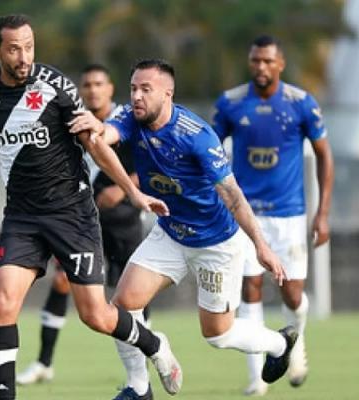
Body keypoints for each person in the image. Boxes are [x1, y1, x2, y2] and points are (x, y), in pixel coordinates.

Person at [0, 15, 181, 400]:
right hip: (22, 215)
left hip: (71, 213)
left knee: (96, 315)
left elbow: (95, 144)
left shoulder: (56, 86)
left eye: (29, 46)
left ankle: (155, 346)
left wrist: (133, 191)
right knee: (2, 300)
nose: (23, 55)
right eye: (13, 48)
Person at [69, 58, 298, 400]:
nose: (137, 96)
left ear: (168, 93)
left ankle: (281, 343)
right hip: (170, 234)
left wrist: (262, 246)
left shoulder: (198, 137)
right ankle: (138, 388)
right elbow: (109, 133)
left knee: (217, 334)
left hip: (216, 244)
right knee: (123, 304)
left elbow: (234, 197)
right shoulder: (130, 117)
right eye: (133, 88)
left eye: (146, 89)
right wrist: (96, 126)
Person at [212, 35, 334, 396]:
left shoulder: (301, 103)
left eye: (267, 61)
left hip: (289, 217)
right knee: (249, 287)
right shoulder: (231, 103)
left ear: (280, 63)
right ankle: (257, 378)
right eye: (255, 61)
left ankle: (296, 343)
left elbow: (325, 156)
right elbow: (209, 153)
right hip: (245, 216)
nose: (260, 67)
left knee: (291, 294)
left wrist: (322, 213)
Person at [16, 64, 149, 389]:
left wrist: (123, 188)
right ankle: (44, 363)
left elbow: (151, 162)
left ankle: (143, 364)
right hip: (81, 221)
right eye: (86, 84)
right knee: (62, 280)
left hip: (123, 222)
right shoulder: (69, 118)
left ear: (110, 88)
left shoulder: (125, 121)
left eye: (98, 84)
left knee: (131, 297)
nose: (92, 90)